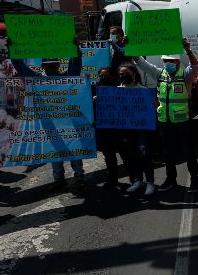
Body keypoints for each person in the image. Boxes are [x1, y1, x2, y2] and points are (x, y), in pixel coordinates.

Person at [10, 42, 86, 192]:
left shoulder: (67, 76)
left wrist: (75, 47)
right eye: (48, 65)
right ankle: (59, 179)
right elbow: (19, 65)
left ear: (59, 65)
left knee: (74, 149)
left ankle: (79, 178)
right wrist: (12, 48)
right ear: (43, 66)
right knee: (54, 151)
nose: (51, 67)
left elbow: (76, 63)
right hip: (49, 123)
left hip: (68, 122)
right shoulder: (36, 78)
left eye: (54, 65)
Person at [133, 38, 198, 192]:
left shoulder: (186, 75)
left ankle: (194, 179)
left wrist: (188, 50)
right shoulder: (160, 74)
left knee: (188, 152)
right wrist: (131, 47)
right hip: (164, 121)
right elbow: (142, 63)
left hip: (182, 122)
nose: (167, 63)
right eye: (165, 60)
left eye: (170, 60)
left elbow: (195, 66)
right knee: (167, 152)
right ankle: (171, 179)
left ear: (177, 62)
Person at [116, 62, 157, 195]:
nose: (123, 76)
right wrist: (99, 100)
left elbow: (152, 109)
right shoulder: (116, 91)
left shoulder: (143, 90)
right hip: (125, 129)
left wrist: (154, 104)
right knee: (131, 155)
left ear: (134, 74)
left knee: (144, 153)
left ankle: (150, 182)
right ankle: (138, 180)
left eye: (126, 73)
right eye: (121, 74)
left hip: (142, 128)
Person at [92, 67, 132, 187]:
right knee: (109, 156)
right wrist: (93, 100)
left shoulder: (119, 87)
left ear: (111, 76)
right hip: (104, 129)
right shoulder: (94, 88)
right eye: (101, 76)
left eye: (106, 75)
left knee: (125, 154)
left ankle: (134, 178)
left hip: (119, 128)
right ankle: (112, 179)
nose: (103, 78)